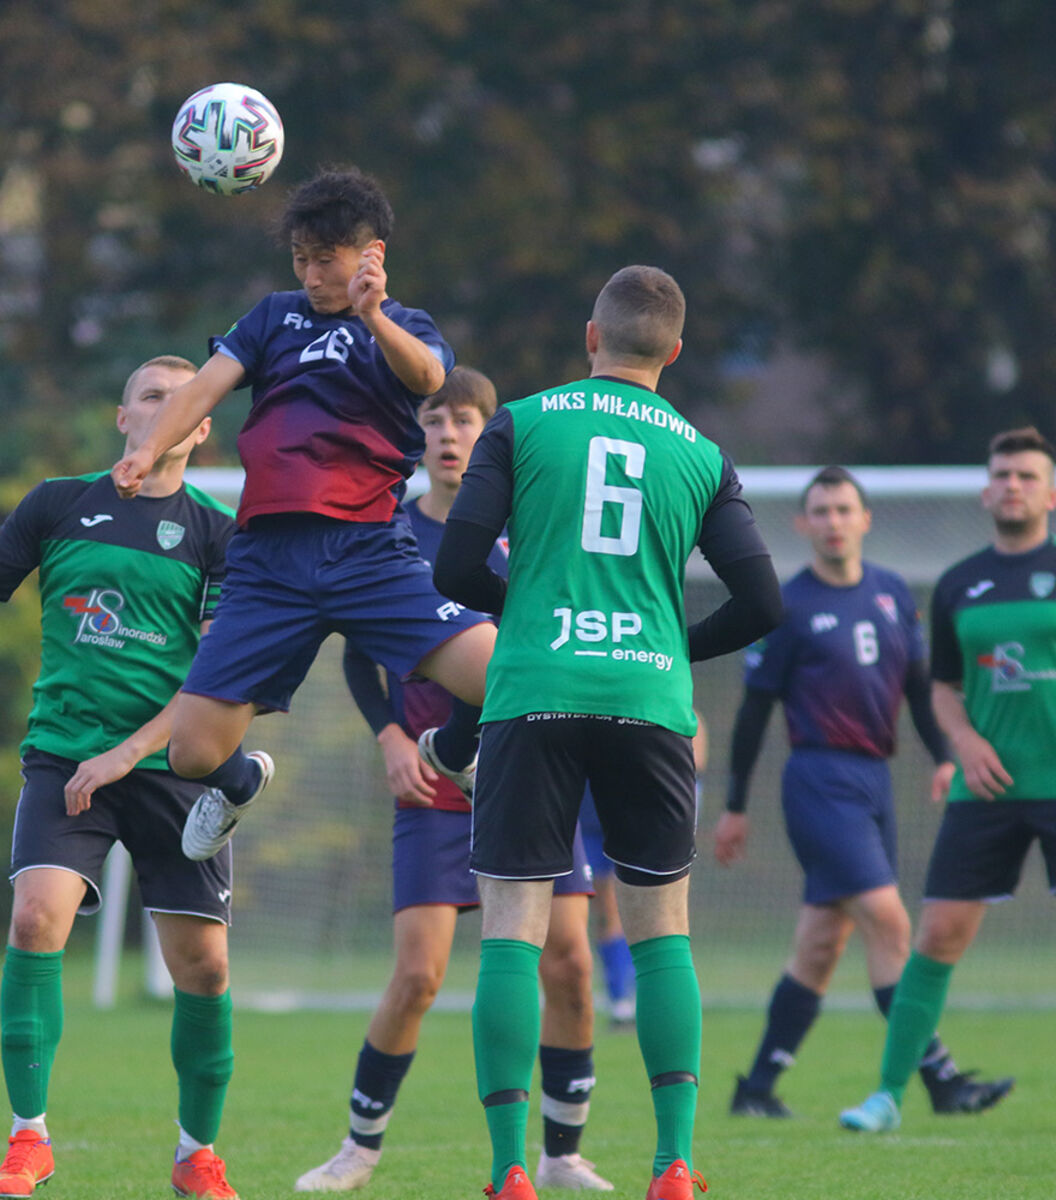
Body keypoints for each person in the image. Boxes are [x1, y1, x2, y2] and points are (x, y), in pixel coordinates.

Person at [435, 266, 783, 1200]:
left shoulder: (521, 420)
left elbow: (457, 562)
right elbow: (763, 600)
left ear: (592, 338)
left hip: (533, 692)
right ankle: (672, 1164)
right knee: (660, 931)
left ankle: (512, 1172)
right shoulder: (704, 456)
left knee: (513, 929)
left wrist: (534, 615)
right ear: (673, 351)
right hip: (648, 698)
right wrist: (669, 643)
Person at [109, 167, 492, 860]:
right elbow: (202, 390)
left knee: (506, 674)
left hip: (370, 552)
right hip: (268, 564)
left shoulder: (405, 325)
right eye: (301, 260)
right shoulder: (272, 316)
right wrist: (147, 448)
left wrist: (372, 314)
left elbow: (430, 380)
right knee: (191, 753)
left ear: (370, 255)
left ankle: (456, 749)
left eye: (327, 261)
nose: (313, 276)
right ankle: (239, 782)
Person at [0, 357, 249, 1200]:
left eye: (179, 397)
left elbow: (214, 685)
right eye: (148, 395)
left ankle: (197, 1154)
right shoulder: (55, 504)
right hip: (63, 755)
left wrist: (126, 754)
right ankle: (27, 1141)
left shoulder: (220, 534)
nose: (163, 408)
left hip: (171, 767)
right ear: (121, 416)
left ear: (202, 422)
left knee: (206, 971)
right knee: (37, 918)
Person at [297, 368, 613, 1195]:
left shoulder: (528, 527)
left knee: (571, 966)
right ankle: (358, 1150)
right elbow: (359, 653)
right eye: (434, 421)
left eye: (463, 420)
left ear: (486, 435)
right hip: (435, 784)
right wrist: (392, 733)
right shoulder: (389, 534)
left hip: (531, 769)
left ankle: (562, 1152)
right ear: (419, 437)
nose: (448, 435)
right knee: (418, 977)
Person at [841, 427, 1056, 1136]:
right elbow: (945, 690)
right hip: (984, 789)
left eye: (1025, 475)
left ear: (1050, 493)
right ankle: (888, 1097)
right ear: (986, 490)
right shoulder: (960, 581)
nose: (1012, 484)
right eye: (1001, 474)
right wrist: (962, 742)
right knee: (938, 934)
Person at [714, 467, 1013, 1119]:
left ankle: (756, 1089)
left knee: (821, 945)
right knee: (890, 922)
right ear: (802, 525)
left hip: (874, 780)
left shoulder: (891, 592)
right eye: (819, 511)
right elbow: (753, 712)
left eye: (844, 509)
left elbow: (919, 684)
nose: (832, 521)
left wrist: (942, 757)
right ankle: (942, 1079)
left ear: (865, 519)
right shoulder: (784, 605)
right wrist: (734, 806)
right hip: (819, 782)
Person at [582, 714, 705, 1032]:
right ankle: (621, 999)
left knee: (655, 912)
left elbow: (696, 752)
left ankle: (657, 1001)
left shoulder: (653, 689)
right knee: (608, 909)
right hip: (590, 811)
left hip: (638, 811)